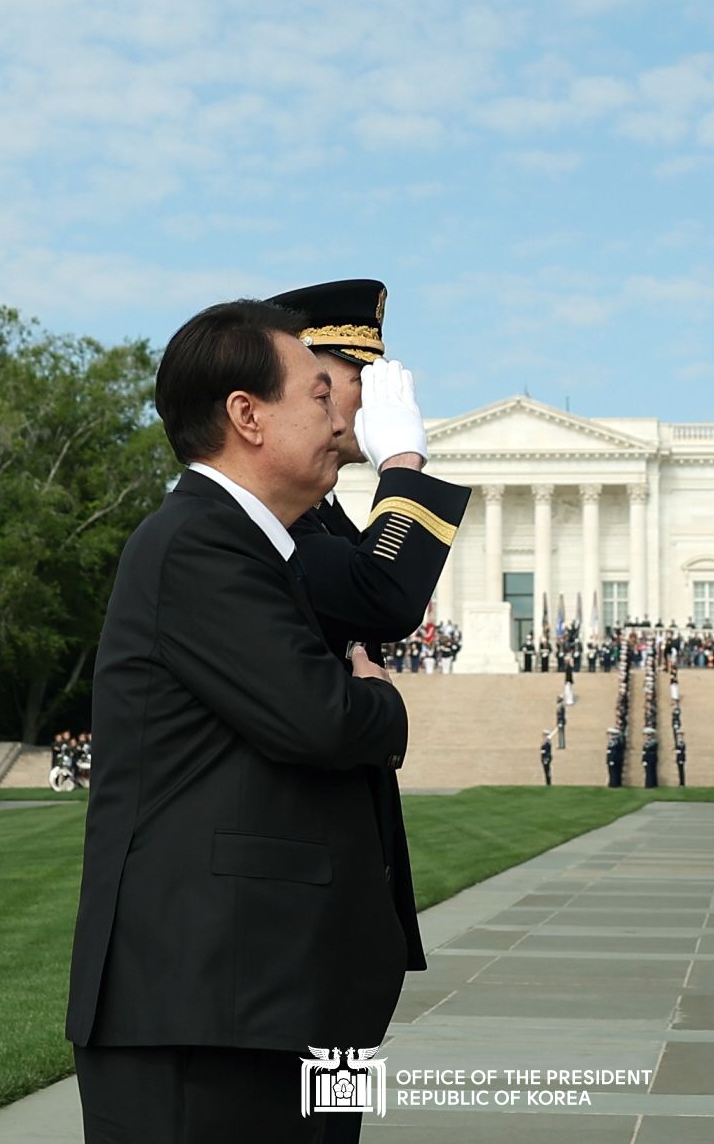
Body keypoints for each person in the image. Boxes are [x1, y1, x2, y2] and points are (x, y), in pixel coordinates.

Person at [66, 300, 410, 1143]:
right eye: (318, 395)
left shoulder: (266, 548)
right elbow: (322, 719)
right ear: (246, 416)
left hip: (286, 995)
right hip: (214, 1006)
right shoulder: (198, 543)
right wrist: (382, 699)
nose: (341, 419)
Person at [271, 279, 472, 1019]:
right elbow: (384, 596)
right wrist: (404, 464)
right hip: (298, 938)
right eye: (361, 381)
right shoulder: (272, 525)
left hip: (346, 926)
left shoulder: (318, 514)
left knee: (335, 1118)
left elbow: (379, 592)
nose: (370, 402)